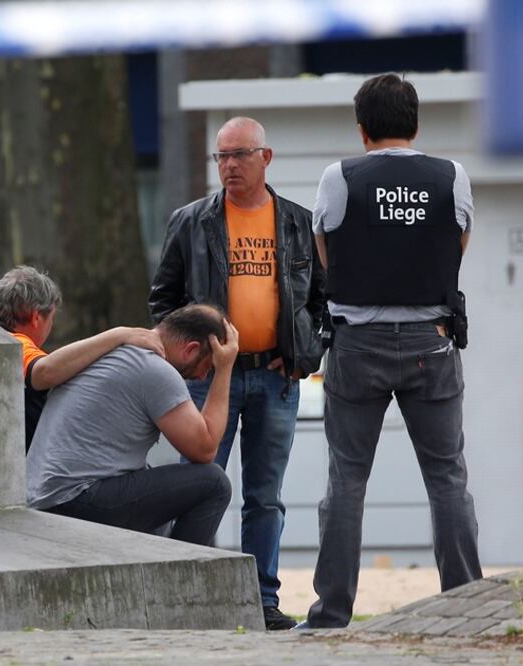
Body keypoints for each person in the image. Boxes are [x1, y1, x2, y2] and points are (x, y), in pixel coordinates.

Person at [301, 73, 482, 629]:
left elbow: (324, 251)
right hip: (433, 340)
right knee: (447, 477)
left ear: (362, 131)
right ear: (416, 124)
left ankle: (332, 614)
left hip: (358, 344)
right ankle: (467, 609)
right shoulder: (452, 176)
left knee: (346, 481)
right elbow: (458, 248)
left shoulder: (340, 177)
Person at [149, 117, 326, 630]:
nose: (228, 166)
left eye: (239, 155)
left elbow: (321, 304)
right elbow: (163, 299)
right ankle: (187, 596)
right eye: (221, 157)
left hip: (275, 377)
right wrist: (190, 354)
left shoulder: (297, 222)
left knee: (264, 496)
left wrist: (302, 358)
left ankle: (261, 600)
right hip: (208, 380)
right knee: (198, 483)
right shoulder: (191, 221)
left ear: (265, 158)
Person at [26, 303, 238, 546]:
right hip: (73, 500)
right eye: (208, 367)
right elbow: (205, 449)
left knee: (150, 481)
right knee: (213, 483)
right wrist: (224, 370)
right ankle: (182, 580)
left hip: (44, 497)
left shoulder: (113, 352)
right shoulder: (155, 368)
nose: (203, 377)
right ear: (190, 349)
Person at [0, 265, 163, 451]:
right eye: (52, 318)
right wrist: (119, 335)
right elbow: (44, 372)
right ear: (36, 317)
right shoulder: (15, 344)